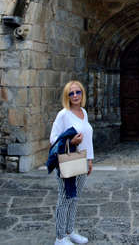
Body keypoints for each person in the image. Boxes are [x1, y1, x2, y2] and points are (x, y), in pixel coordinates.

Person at [49, 81, 94, 245]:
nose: (75, 95)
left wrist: (90, 160)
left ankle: (70, 231)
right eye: (71, 93)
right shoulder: (63, 114)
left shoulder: (83, 112)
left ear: (82, 94)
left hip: (82, 160)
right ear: (67, 96)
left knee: (75, 198)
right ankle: (60, 237)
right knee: (64, 198)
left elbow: (88, 139)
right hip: (66, 161)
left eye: (78, 92)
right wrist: (71, 140)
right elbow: (53, 138)